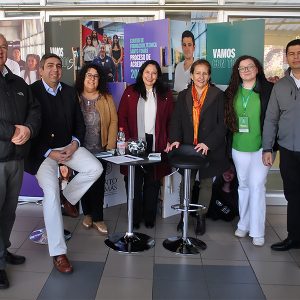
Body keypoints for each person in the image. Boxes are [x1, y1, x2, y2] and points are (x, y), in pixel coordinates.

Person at [25, 53, 103, 274]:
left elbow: (79, 124)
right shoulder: (31, 92)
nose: (55, 70)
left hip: (68, 148)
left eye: (59, 66)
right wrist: (50, 153)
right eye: (49, 66)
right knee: (50, 192)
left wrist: (75, 145)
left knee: (95, 168)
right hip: (42, 155)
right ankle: (59, 253)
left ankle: (67, 197)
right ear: (41, 70)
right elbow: (30, 129)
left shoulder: (69, 92)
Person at [167, 59, 229, 235]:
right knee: (186, 183)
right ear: (192, 75)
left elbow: (222, 124)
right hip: (187, 147)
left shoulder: (218, 95)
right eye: (198, 73)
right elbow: (176, 121)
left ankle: (201, 217)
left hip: (209, 147)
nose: (201, 76)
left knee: (206, 183)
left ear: (209, 76)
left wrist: (208, 143)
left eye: (205, 73)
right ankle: (184, 216)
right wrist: (175, 139)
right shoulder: (184, 95)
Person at [0, 33, 40, 289]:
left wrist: (28, 129)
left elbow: (35, 110)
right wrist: (11, 132)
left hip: (16, 160)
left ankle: (3, 250)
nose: (0, 51)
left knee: (8, 212)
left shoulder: (17, 82)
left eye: (2, 47)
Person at [118, 60, 174, 228]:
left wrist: (169, 139)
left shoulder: (165, 94)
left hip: (156, 142)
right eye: (147, 72)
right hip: (134, 142)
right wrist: (126, 140)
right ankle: (134, 217)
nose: (150, 76)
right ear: (142, 73)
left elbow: (171, 120)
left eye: (154, 73)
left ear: (158, 76)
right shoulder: (130, 92)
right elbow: (122, 117)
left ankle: (149, 216)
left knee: (153, 179)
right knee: (133, 179)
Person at [225, 55, 274, 246]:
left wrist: (269, 146)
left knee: (257, 185)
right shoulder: (232, 91)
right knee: (243, 185)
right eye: (242, 68)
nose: (246, 70)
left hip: (263, 148)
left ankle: (257, 230)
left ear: (257, 69)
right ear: (237, 71)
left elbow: (274, 119)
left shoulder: (268, 90)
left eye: (250, 67)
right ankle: (244, 223)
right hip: (239, 147)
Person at [263, 39, 300, 251]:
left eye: (299, 52)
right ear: (286, 57)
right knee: (292, 195)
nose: (296, 57)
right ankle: (293, 237)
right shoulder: (280, 86)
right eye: (292, 53)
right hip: (287, 149)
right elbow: (271, 119)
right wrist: (268, 148)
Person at [75, 63, 118, 235]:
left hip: (101, 148)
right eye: (89, 75)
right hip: (79, 149)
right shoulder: (74, 97)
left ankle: (98, 218)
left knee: (98, 184)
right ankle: (87, 214)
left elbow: (114, 121)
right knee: (83, 182)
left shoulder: (106, 98)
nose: (92, 79)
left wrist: (111, 144)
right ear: (83, 78)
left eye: (95, 76)